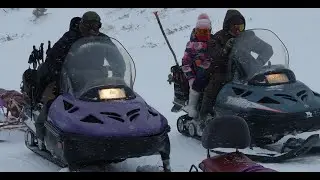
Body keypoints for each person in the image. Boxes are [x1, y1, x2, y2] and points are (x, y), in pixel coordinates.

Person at [34, 11, 125, 150]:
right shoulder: (69, 38)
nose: (92, 30)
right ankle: (41, 135)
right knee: (53, 105)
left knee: (114, 104)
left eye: (96, 26)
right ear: (81, 24)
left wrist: (119, 75)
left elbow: (116, 57)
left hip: (97, 82)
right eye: (89, 25)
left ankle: (119, 132)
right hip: (69, 81)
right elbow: (53, 58)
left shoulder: (102, 39)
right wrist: (59, 74)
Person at [199, 9, 273, 124]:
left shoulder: (248, 36)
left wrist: (258, 64)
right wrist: (225, 50)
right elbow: (214, 55)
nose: (238, 31)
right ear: (228, 26)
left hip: (246, 69)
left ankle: (266, 112)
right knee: (215, 84)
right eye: (235, 27)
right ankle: (205, 115)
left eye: (241, 27)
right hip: (223, 70)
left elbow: (267, 49)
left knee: (265, 83)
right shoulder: (218, 38)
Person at [181, 13, 212, 118]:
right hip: (195, 74)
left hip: (210, 71)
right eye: (200, 31)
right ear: (196, 30)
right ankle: (192, 107)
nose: (203, 34)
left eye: (206, 31)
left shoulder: (213, 42)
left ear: (210, 31)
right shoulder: (191, 45)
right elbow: (185, 62)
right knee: (195, 88)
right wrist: (190, 78)